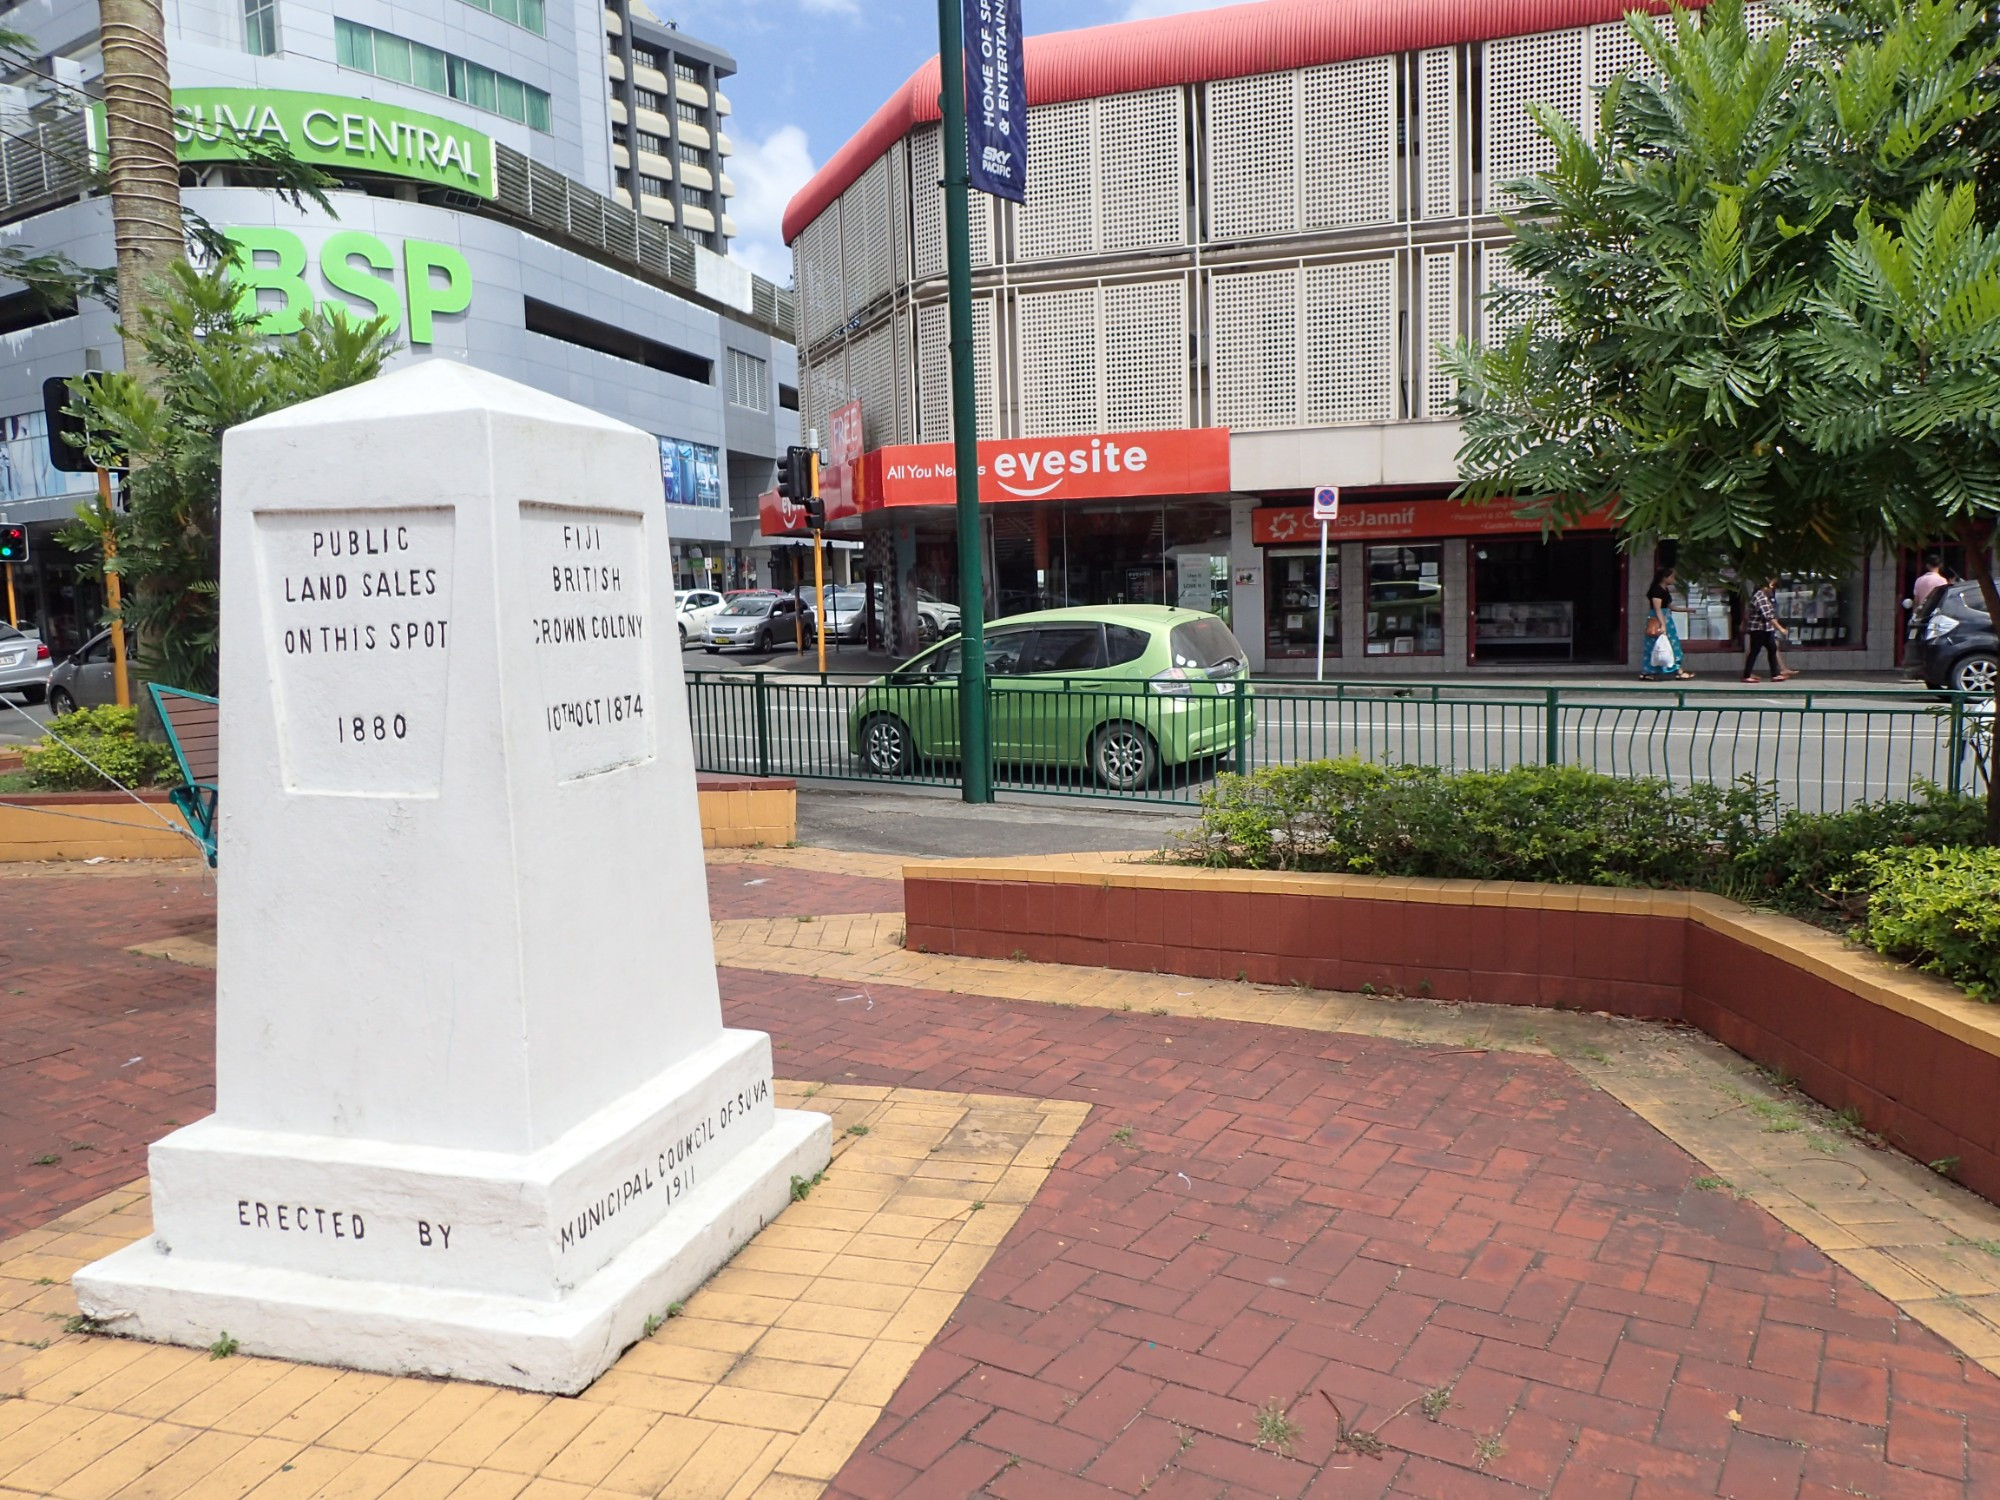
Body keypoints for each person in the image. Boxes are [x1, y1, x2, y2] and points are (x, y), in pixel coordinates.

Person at [1641, 568, 1695, 680]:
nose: (1673, 579)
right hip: (1658, 620)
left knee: (1670, 645)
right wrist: (1663, 624)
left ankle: (1672, 669)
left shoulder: (1665, 589)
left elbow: (1669, 607)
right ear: (1664, 577)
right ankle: (1650, 671)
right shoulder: (1656, 590)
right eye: (1671, 577)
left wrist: (1686, 610)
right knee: (1657, 645)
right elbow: (1658, 609)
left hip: (1665, 619)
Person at [1742, 576, 1793, 681]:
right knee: (1754, 651)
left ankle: (1775, 674)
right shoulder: (1760, 597)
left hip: (1767, 629)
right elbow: (1768, 616)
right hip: (1758, 629)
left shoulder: (1765, 597)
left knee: (1772, 649)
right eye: (1772, 586)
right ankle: (1747, 675)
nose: (1773, 589)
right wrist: (1781, 629)